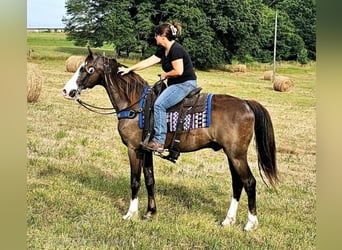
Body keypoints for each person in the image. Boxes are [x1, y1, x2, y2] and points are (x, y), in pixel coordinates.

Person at [118, 22, 197, 152]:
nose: (155, 38)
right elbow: (149, 61)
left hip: (185, 84)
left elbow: (179, 71)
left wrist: (165, 74)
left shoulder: (176, 49)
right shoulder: (163, 50)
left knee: (159, 104)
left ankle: (159, 142)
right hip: (175, 84)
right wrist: (129, 69)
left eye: (156, 35)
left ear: (162, 36)